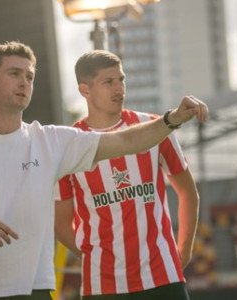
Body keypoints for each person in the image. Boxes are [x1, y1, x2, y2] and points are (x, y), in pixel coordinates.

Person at [0, 41, 208, 300]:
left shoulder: (51, 140)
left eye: (29, 76)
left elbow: (127, 140)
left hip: (36, 290)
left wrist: (172, 119)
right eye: (14, 74)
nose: (24, 82)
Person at [54, 50, 199, 300]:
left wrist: (183, 251)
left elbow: (188, 192)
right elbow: (61, 222)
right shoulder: (69, 146)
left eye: (121, 79)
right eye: (108, 82)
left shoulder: (157, 127)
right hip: (102, 284)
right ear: (84, 90)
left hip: (163, 276)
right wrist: (93, 255)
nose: (119, 88)